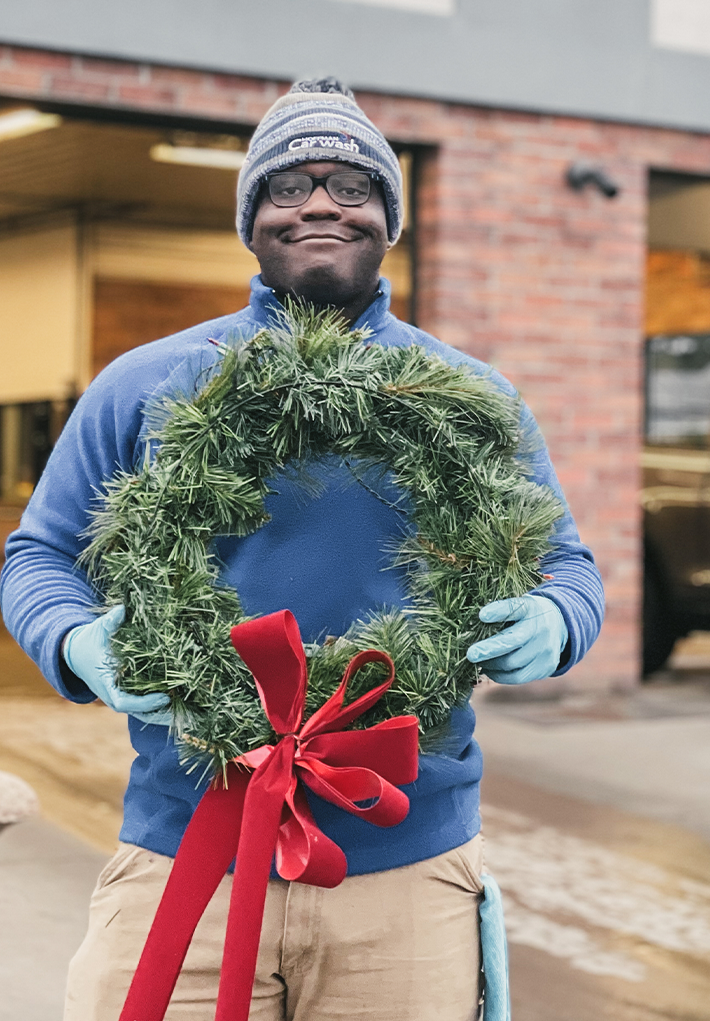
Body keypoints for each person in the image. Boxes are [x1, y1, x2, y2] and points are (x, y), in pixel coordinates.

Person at [0, 77, 604, 1020]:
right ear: (252, 219)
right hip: (186, 845)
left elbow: (564, 562)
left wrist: (561, 618)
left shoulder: (468, 396)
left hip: (404, 866)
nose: (322, 201)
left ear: (389, 221)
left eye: (352, 185)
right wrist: (75, 643)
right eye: (290, 185)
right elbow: (37, 556)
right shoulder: (146, 384)